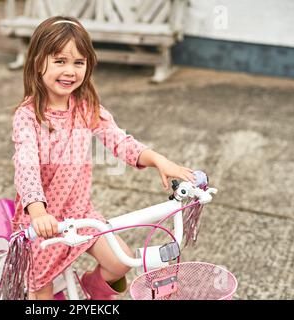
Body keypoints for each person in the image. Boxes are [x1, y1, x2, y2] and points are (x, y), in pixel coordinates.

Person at [11, 16, 196, 300]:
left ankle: (91, 288)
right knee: (41, 288)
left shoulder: (85, 106)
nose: (70, 71)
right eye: (59, 61)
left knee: (121, 262)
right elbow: (26, 168)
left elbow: (118, 140)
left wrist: (157, 159)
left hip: (82, 214)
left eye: (78, 62)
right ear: (38, 63)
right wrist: (38, 212)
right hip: (44, 221)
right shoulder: (28, 117)